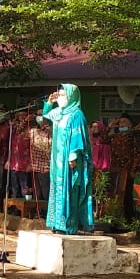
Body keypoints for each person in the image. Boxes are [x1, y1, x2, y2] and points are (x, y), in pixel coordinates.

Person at [42, 84, 93, 234]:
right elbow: (46, 115)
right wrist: (50, 102)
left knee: (70, 189)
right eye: (60, 94)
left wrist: (73, 156)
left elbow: (78, 137)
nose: (61, 97)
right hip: (57, 160)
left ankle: (69, 225)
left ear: (72, 97)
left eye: (64, 95)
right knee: (57, 188)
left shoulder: (76, 114)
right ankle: (57, 223)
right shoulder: (59, 112)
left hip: (70, 161)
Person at [107, 114, 138, 219]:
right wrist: (110, 126)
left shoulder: (133, 137)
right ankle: (116, 217)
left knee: (127, 194)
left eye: (124, 122)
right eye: (120, 122)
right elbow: (103, 139)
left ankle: (128, 219)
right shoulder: (114, 137)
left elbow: (136, 154)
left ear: (130, 124)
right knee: (115, 194)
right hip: (115, 170)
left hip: (127, 171)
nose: (121, 124)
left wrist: (133, 170)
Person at [29, 115, 52, 207]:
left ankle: (47, 212)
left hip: (46, 165)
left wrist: (46, 127)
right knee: (36, 191)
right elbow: (21, 133)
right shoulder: (33, 131)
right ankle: (37, 212)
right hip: (35, 165)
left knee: (45, 190)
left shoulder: (51, 131)